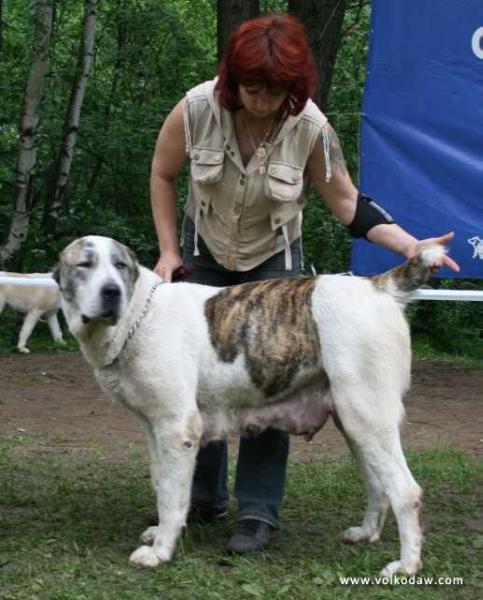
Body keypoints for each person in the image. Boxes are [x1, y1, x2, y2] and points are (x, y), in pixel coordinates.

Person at [150, 14, 459, 554]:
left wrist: (410, 246)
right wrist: (170, 251)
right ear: (232, 80)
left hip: (273, 259)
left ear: (294, 89)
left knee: (271, 379)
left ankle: (256, 512)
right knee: (193, 381)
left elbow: (347, 203)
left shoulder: (312, 127)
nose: (263, 101)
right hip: (205, 256)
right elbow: (162, 173)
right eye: (252, 89)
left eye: (276, 91)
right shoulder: (195, 108)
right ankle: (200, 500)